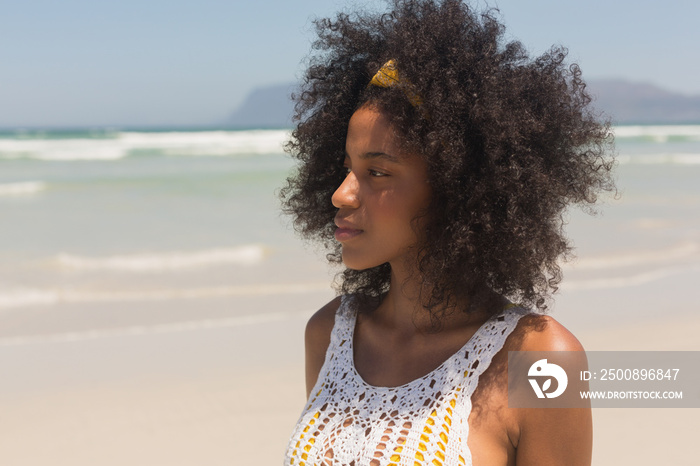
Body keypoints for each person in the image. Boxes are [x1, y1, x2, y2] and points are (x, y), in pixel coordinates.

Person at [280, 1, 615, 464]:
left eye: (377, 172)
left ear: (456, 188)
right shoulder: (330, 333)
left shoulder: (541, 358)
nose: (341, 195)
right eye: (346, 169)